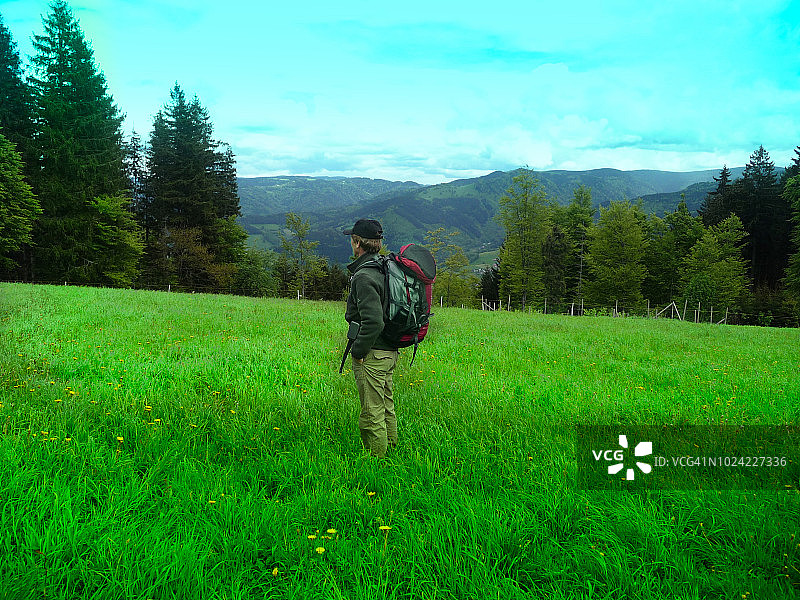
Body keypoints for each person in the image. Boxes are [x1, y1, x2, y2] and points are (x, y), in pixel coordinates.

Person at [343, 219, 399, 458]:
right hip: (390, 350)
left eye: (352, 239)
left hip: (374, 353)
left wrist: (358, 351)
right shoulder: (385, 266)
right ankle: (392, 450)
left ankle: (376, 462)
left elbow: (374, 321)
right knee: (386, 404)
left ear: (357, 243)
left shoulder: (365, 275)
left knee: (371, 411)